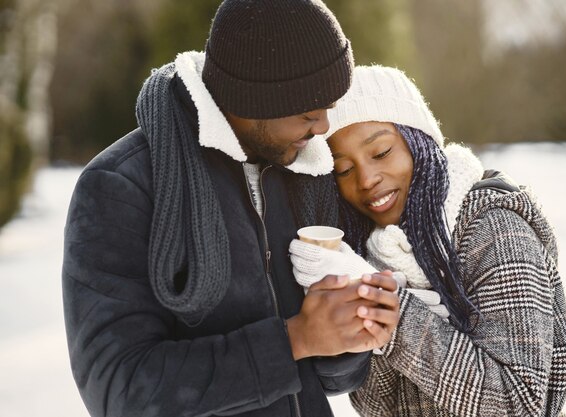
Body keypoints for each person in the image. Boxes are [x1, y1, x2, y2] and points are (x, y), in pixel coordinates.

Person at [61, 2, 401, 417]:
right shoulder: (121, 187)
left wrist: (351, 332)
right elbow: (118, 390)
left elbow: (326, 380)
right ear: (250, 100)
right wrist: (293, 340)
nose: (323, 128)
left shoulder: (301, 173)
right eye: (309, 113)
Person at [289, 65, 566, 417]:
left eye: (380, 153)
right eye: (344, 169)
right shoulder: (377, 251)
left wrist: (393, 315)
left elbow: (519, 404)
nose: (366, 179)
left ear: (418, 142)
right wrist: (357, 311)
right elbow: (377, 408)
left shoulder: (494, 230)